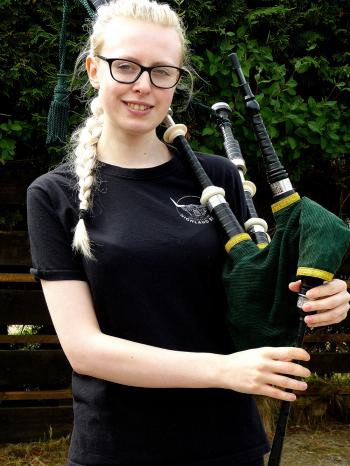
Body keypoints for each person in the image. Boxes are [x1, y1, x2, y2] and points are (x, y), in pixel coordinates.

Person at [27, 1, 350, 465]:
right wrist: (223, 369)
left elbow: (259, 299)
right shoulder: (53, 194)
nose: (143, 86)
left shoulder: (217, 177)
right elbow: (86, 350)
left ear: (178, 81)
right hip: (120, 448)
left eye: (162, 72)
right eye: (126, 67)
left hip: (228, 442)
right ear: (94, 70)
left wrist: (320, 297)